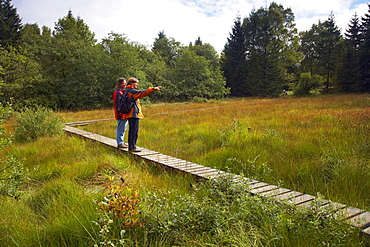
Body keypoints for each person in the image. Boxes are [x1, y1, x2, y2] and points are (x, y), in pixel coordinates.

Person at [124, 77, 161, 152]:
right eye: (136, 83)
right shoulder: (131, 91)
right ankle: (132, 148)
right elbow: (141, 93)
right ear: (132, 83)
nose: (137, 84)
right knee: (134, 131)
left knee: (132, 131)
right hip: (133, 113)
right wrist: (152, 89)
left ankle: (131, 147)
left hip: (129, 113)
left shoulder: (126, 90)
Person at [113, 78, 128, 148]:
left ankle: (122, 141)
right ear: (120, 84)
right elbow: (118, 104)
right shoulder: (118, 92)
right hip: (121, 113)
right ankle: (120, 142)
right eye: (123, 83)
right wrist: (121, 112)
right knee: (121, 128)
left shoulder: (123, 91)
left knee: (123, 128)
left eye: (125, 83)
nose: (125, 84)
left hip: (124, 113)